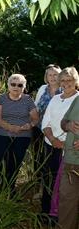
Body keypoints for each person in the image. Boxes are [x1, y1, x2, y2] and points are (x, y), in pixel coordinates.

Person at [41, 67, 79, 219]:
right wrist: (53, 139)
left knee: (63, 185)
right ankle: (45, 213)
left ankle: (57, 215)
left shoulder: (77, 99)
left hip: (69, 149)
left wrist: (62, 143)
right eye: (62, 80)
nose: (66, 83)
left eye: (69, 80)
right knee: (48, 179)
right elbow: (46, 122)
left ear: (76, 81)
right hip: (50, 145)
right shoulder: (56, 98)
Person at [0, 74, 39, 195]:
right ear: (8, 85)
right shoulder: (1, 98)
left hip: (23, 136)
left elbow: (35, 119)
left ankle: (11, 190)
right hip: (3, 134)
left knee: (14, 163)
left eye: (20, 85)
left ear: (24, 87)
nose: (16, 87)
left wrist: (29, 126)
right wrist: (11, 127)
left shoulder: (28, 99)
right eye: (13, 84)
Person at [33, 64, 62, 199]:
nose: (52, 77)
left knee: (53, 162)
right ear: (46, 77)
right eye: (50, 75)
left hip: (56, 132)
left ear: (60, 76)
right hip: (39, 129)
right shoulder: (43, 89)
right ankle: (39, 188)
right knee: (39, 160)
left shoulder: (64, 90)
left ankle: (54, 190)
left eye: (55, 74)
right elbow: (36, 107)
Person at [57, 94, 79, 229]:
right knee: (67, 203)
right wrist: (68, 125)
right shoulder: (78, 99)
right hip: (71, 161)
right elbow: (63, 122)